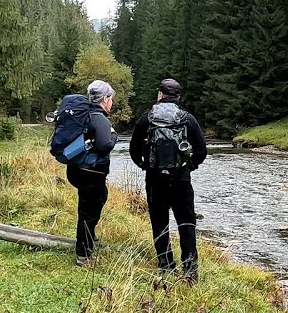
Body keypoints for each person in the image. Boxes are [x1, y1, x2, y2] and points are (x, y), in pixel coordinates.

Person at [129, 78, 208, 282]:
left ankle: (166, 266)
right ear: (178, 97)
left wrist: (146, 166)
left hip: (155, 180)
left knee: (159, 222)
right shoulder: (187, 118)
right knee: (187, 223)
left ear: (160, 95)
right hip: (181, 180)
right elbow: (201, 150)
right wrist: (189, 166)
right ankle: (190, 272)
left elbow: (134, 151)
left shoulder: (147, 118)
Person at [52, 80, 117, 266]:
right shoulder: (99, 118)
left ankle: (89, 239)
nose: (111, 103)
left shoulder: (84, 114)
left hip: (76, 169)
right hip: (92, 172)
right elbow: (104, 146)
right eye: (110, 99)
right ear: (105, 99)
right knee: (89, 212)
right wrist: (114, 136)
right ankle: (84, 254)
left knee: (98, 199)